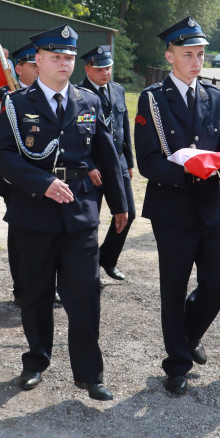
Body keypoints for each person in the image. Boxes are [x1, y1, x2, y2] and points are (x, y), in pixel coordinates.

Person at [0, 24, 128, 401]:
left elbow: (106, 153)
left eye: (69, 57)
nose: (64, 63)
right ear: (38, 60)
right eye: (57, 57)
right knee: (36, 293)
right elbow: (2, 155)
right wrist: (41, 183)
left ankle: (89, 373)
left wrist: (121, 204)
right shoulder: (17, 103)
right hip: (34, 212)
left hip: (79, 209)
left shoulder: (88, 101)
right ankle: (36, 360)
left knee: (85, 292)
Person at [134, 16, 220, 396]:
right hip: (172, 209)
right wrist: (186, 167)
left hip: (210, 207)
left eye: (200, 54)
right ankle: (176, 363)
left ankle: (189, 335)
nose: (196, 61)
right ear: (170, 56)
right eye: (187, 54)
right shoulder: (153, 100)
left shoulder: (215, 97)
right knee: (173, 287)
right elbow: (147, 161)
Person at [77, 44, 136, 281]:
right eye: (100, 68)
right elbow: (76, 136)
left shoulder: (118, 90)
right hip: (92, 166)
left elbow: (124, 127)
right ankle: (89, 271)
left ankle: (108, 259)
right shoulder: (77, 93)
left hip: (118, 163)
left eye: (109, 68)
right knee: (92, 220)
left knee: (128, 213)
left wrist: (129, 161)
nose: (106, 73)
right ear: (87, 69)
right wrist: (88, 165)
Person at [0, 42, 39, 306]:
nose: (38, 69)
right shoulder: (6, 95)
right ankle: (21, 288)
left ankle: (44, 284)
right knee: (20, 233)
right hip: (16, 176)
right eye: (33, 65)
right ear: (18, 69)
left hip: (46, 176)